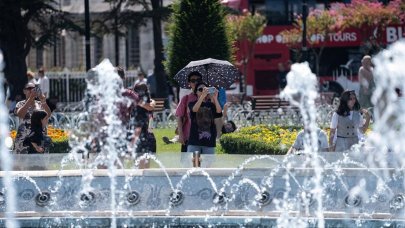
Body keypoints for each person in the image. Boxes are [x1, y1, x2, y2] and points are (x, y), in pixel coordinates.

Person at [14, 82, 52, 154]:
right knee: (22, 164)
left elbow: (48, 114)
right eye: (29, 88)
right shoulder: (20, 104)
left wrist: (43, 101)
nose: (32, 90)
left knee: (40, 164)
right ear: (24, 91)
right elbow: (20, 115)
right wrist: (30, 99)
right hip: (24, 140)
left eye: (34, 88)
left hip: (39, 139)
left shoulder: (40, 104)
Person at [187, 82, 222, 155]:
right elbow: (195, 109)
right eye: (200, 89)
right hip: (194, 141)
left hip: (209, 142)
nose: (203, 91)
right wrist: (202, 96)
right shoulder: (192, 103)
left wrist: (215, 98)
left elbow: (219, 112)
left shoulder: (211, 105)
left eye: (204, 89)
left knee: (208, 165)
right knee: (193, 164)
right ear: (196, 92)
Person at [175, 71, 201, 152]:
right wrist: (181, 135)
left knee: (204, 163)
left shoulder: (208, 98)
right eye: (193, 80)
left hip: (205, 137)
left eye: (198, 80)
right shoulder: (186, 98)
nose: (196, 82)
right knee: (188, 164)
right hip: (188, 137)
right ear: (189, 83)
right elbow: (179, 117)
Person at [132, 83, 156, 168]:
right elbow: (151, 106)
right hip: (149, 136)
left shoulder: (137, 105)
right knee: (146, 169)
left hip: (141, 137)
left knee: (139, 170)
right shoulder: (150, 101)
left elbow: (138, 125)